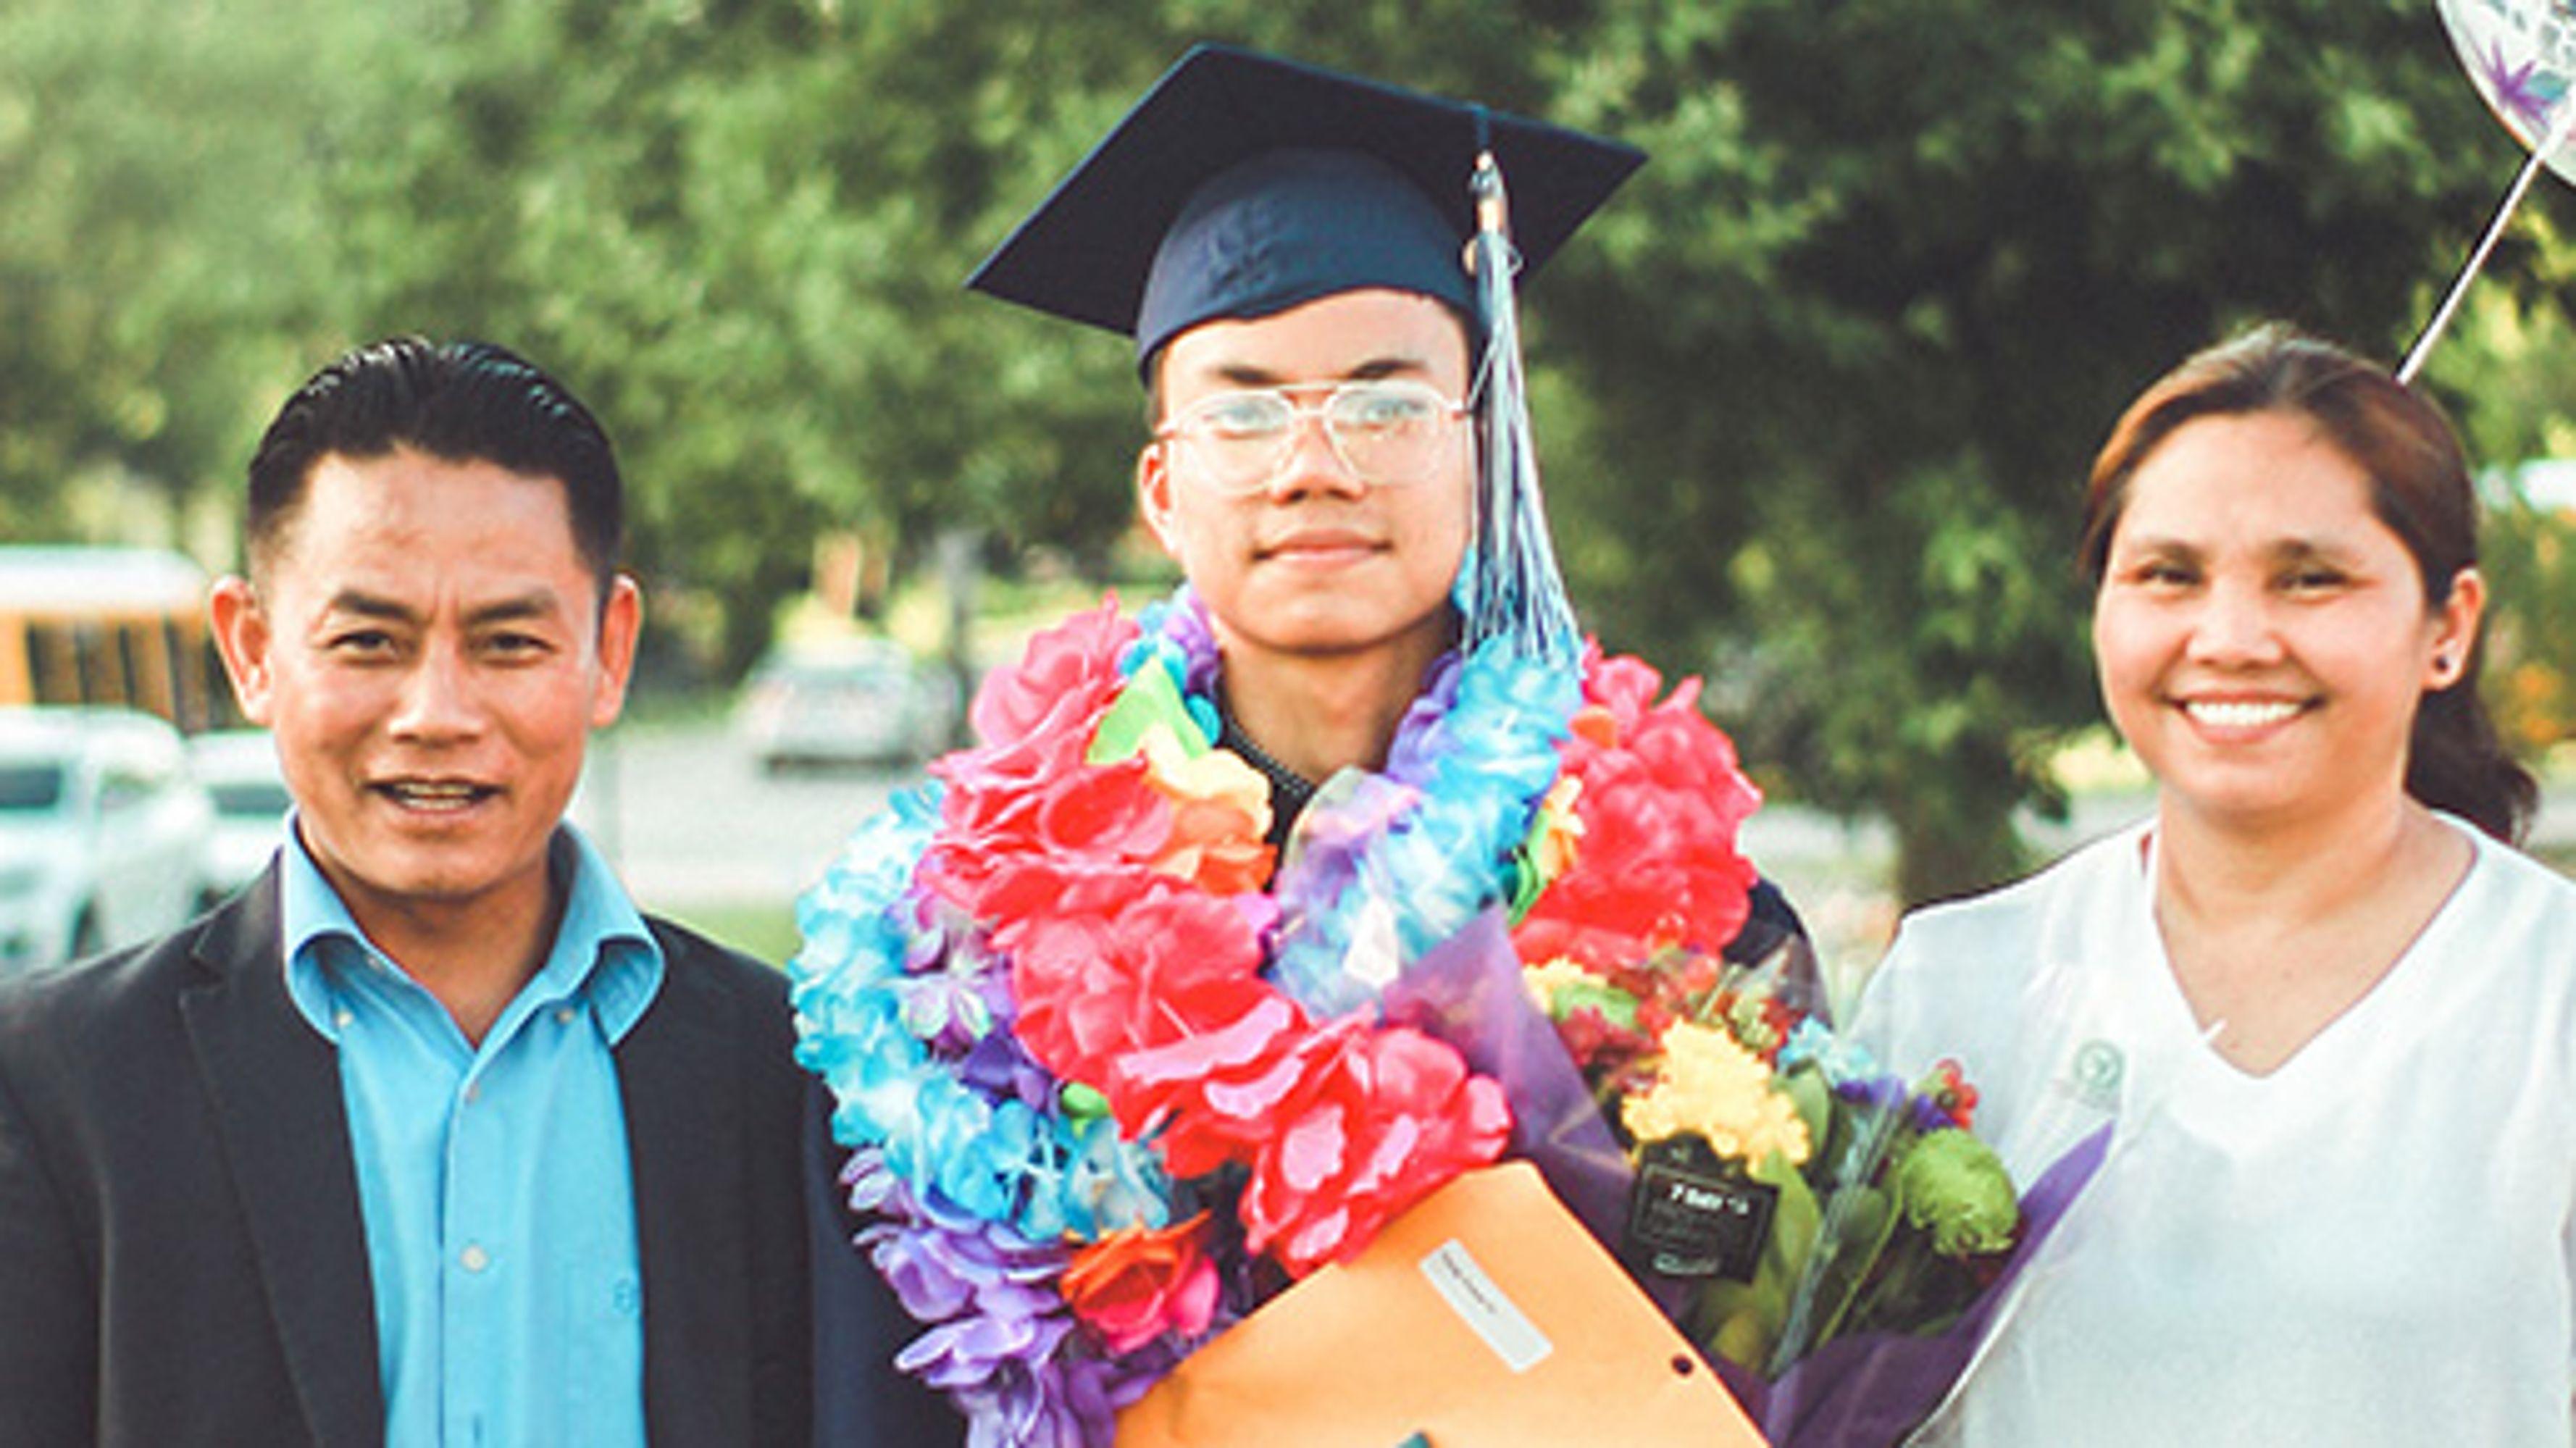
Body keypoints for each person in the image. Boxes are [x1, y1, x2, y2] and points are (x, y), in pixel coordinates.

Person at [791, 43, 1810, 1444]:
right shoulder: (962, 941)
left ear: (1485, 444)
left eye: (1387, 403)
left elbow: (1787, 1345)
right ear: (1162, 485)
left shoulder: (1685, 915)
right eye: (1244, 408)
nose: (1313, 464)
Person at [0, 338, 950, 1446]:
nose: (437, 713)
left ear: (610, 650)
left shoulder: (787, 1074)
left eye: (507, 641)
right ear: (252, 650)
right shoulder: (65, 1084)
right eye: (369, 641)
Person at [1849, 324, 2572, 1444]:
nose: (2231, 638)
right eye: (2167, 575)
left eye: (2311, 579)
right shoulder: (1958, 988)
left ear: (2449, 627)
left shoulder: (2551, 1001)